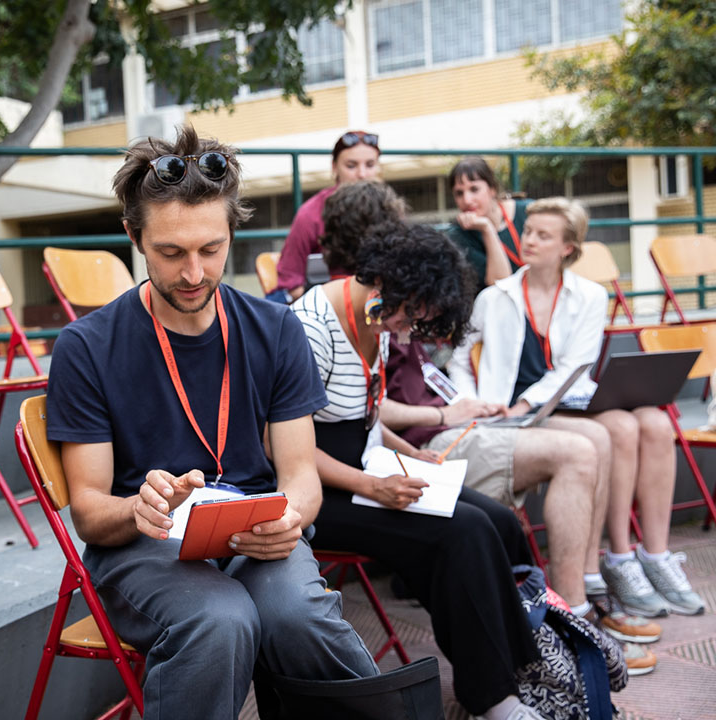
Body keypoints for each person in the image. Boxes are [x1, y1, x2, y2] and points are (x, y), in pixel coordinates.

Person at [45, 127, 385, 720]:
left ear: (232, 233)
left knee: (298, 616)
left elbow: (301, 476)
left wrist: (291, 516)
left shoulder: (276, 329)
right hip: (144, 546)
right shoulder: (86, 346)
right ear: (134, 237)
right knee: (220, 621)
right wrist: (138, 508)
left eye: (212, 248)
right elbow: (91, 513)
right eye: (171, 253)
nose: (195, 273)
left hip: (253, 531)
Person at [290, 203, 544, 720]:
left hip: (366, 470)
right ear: (386, 280)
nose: (408, 331)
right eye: (412, 314)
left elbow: (363, 410)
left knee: (495, 519)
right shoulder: (310, 327)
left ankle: (526, 659)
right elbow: (287, 447)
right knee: (463, 532)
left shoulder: (375, 317)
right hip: (318, 490)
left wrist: (409, 453)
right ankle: (493, 697)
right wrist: (374, 483)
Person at [449, 197, 706, 619]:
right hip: (520, 416)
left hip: (567, 400)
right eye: (528, 231)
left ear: (568, 247)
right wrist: (471, 403)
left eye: (543, 235)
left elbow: (575, 366)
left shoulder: (589, 295)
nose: (529, 240)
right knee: (618, 430)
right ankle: (615, 560)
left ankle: (653, 556)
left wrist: (529, 402)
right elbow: (458, 357)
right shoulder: (494, 297)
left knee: (656, 423)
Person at [272, 130, 382, 302]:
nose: (362, 174)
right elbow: (291, 285)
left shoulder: (389, 209)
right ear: (334, 167)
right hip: (324, 307)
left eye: (370, 165)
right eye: (351, 166)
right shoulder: (311, 213)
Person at [444, 155, 530, 289]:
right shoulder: (458, 236)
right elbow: (500, 284)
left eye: (474, 189)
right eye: (459, 193)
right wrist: (487, 228)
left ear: (492, 189)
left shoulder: (527, 211)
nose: (467, 200)